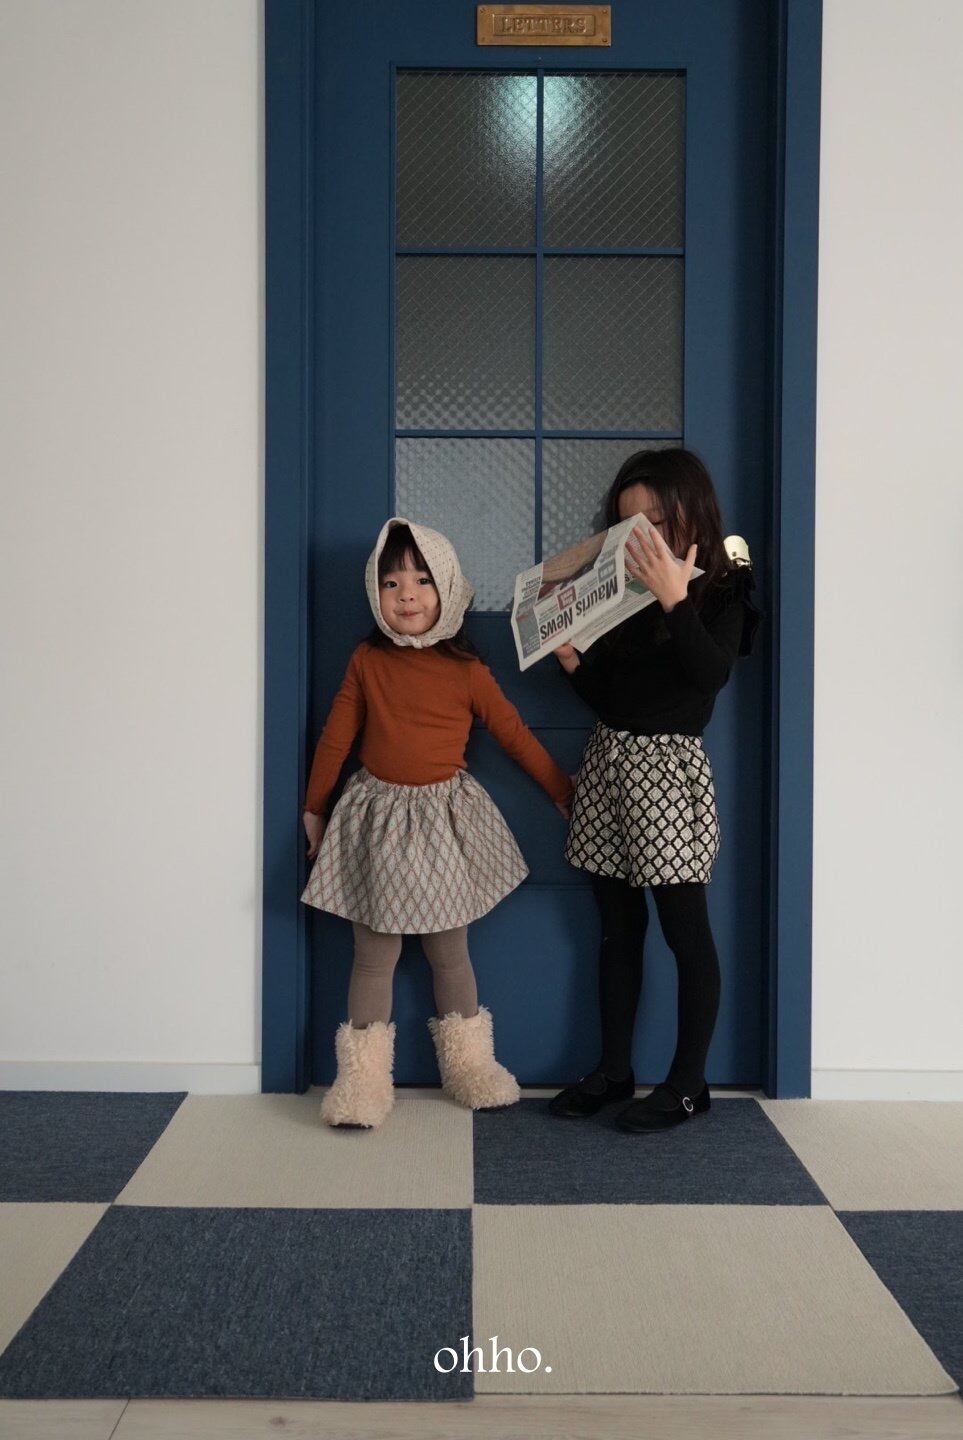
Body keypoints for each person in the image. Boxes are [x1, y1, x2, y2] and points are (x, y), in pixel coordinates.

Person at [302, 516, 573, 1130]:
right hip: (377, 823)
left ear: (447, 588)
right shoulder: (367, 661)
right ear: (375, 593)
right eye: (391, 582)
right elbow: (335, 739)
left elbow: (513, 734)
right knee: (373, 955)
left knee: (451, 952)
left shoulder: (466, 670)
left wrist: (561, 789)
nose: (407, 594)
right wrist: (315, 808)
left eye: (422, 580)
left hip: (442, 824)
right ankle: (362, 1081)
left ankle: (470, 1066)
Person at [549, 448, 762, 1134]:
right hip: (608, 762)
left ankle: (689, 1083)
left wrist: (675, 596)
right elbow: (615, 699)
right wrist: (572, 664)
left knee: (684, 931)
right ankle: (614, 1070)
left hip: (668, 774)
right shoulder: (621, 592)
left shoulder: (724, 588)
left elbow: (709, 676)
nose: (640, 535)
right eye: (627, 523)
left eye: (655, 520)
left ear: (690, 513)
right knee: (617, 930)